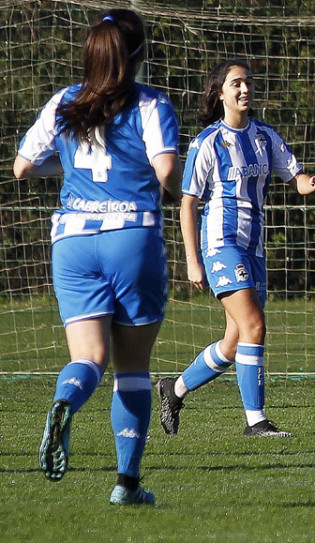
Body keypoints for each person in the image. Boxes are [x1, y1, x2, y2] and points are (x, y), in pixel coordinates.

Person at [14, 9, 182, 505]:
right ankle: (126, 485)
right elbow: (167, 167)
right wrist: (176, 191)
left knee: (87, 357)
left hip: (71, 239)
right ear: (138, 55)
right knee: (132, 369)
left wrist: (65, 169)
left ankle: (66, 400)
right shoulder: (151, 103)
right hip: (131, 234)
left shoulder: (65, 100)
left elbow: (22, 167)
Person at [155, 60, 315, 438]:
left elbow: (294, 178)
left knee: (235, 341)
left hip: (255, 247)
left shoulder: (265, 137)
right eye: (236, 84)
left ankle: (175, 389)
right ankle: (257, 422)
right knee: (254, 325)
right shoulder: (208, 142)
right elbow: (188, 203)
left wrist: (311, 183)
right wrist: (192, 260)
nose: (244, 89)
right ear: (220, 93)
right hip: (222, 244)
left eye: (247, 82)